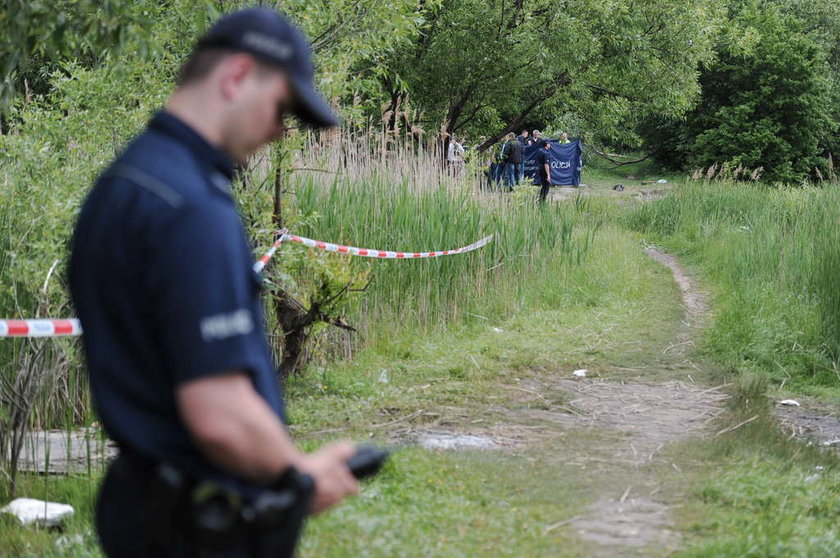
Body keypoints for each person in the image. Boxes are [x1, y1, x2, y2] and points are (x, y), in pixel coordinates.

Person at [68, 8, 358, 557]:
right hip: (199, 528)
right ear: (236, 77)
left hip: (142, 511)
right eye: (281, 107)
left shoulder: (124, 185)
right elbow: (218, 413)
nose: (279, 130)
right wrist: (301, 477)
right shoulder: (192, 207)